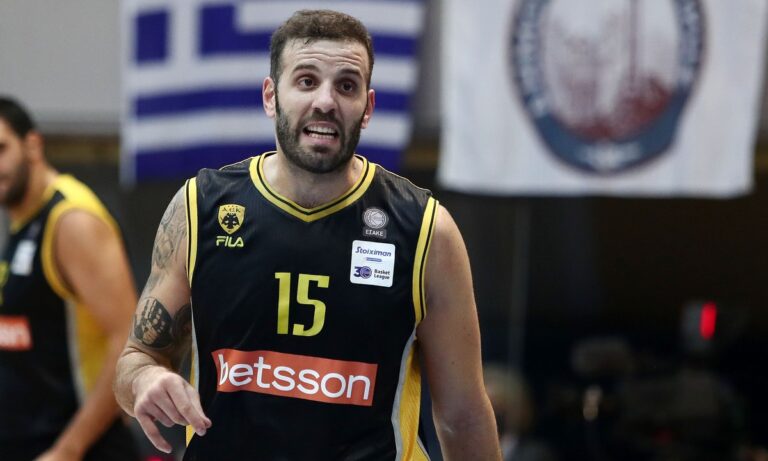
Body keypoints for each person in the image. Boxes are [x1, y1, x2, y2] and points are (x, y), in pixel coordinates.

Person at [114, 9, 501, 460]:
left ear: (368, 108)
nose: (325, 101)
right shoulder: (201, 209)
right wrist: (145, 379)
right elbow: (137, 358)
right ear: (271, 96)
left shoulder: (425, 229)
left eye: (346, 86)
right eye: (306, 81)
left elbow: (463, 415)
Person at [0, 96, 138, 460]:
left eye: (1, 149)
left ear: (32, 145)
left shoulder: (72, 220)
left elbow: (130, 340)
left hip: (85, 450)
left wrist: (67, 450)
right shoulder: (23, 221)